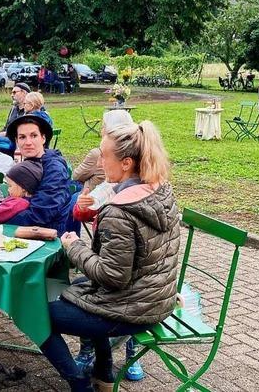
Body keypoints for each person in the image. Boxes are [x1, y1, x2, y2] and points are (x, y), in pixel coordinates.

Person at [41, 120, 180, 392]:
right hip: (156, 298)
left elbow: (112, 276)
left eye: (104, 156)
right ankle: (104, 374)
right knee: (77, 288)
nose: (100, 162)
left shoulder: (120, 210)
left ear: (127, 163)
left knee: (36, 314)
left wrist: (74, 247)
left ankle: (80, 385)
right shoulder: (159, 190)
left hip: (132, 308)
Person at [5, 114, 71, 233]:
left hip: (48, 236)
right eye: (22, 137)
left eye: (34, 136)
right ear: (17, 141)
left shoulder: (54, 169)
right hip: (26, 232)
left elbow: (41, 214)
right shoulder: (30, 163)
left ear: (43, 138)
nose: (28, 142)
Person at [72, 110, 133, 191]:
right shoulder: (136, 151)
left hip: (91, 193)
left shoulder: (98, 153)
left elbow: (76, 176)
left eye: (103, 126)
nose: (101, 129)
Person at [0, 159, 43, 223]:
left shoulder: (17, 203)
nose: (8, 189)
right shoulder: (19, 200)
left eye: (10, 186)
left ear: (24, 187)